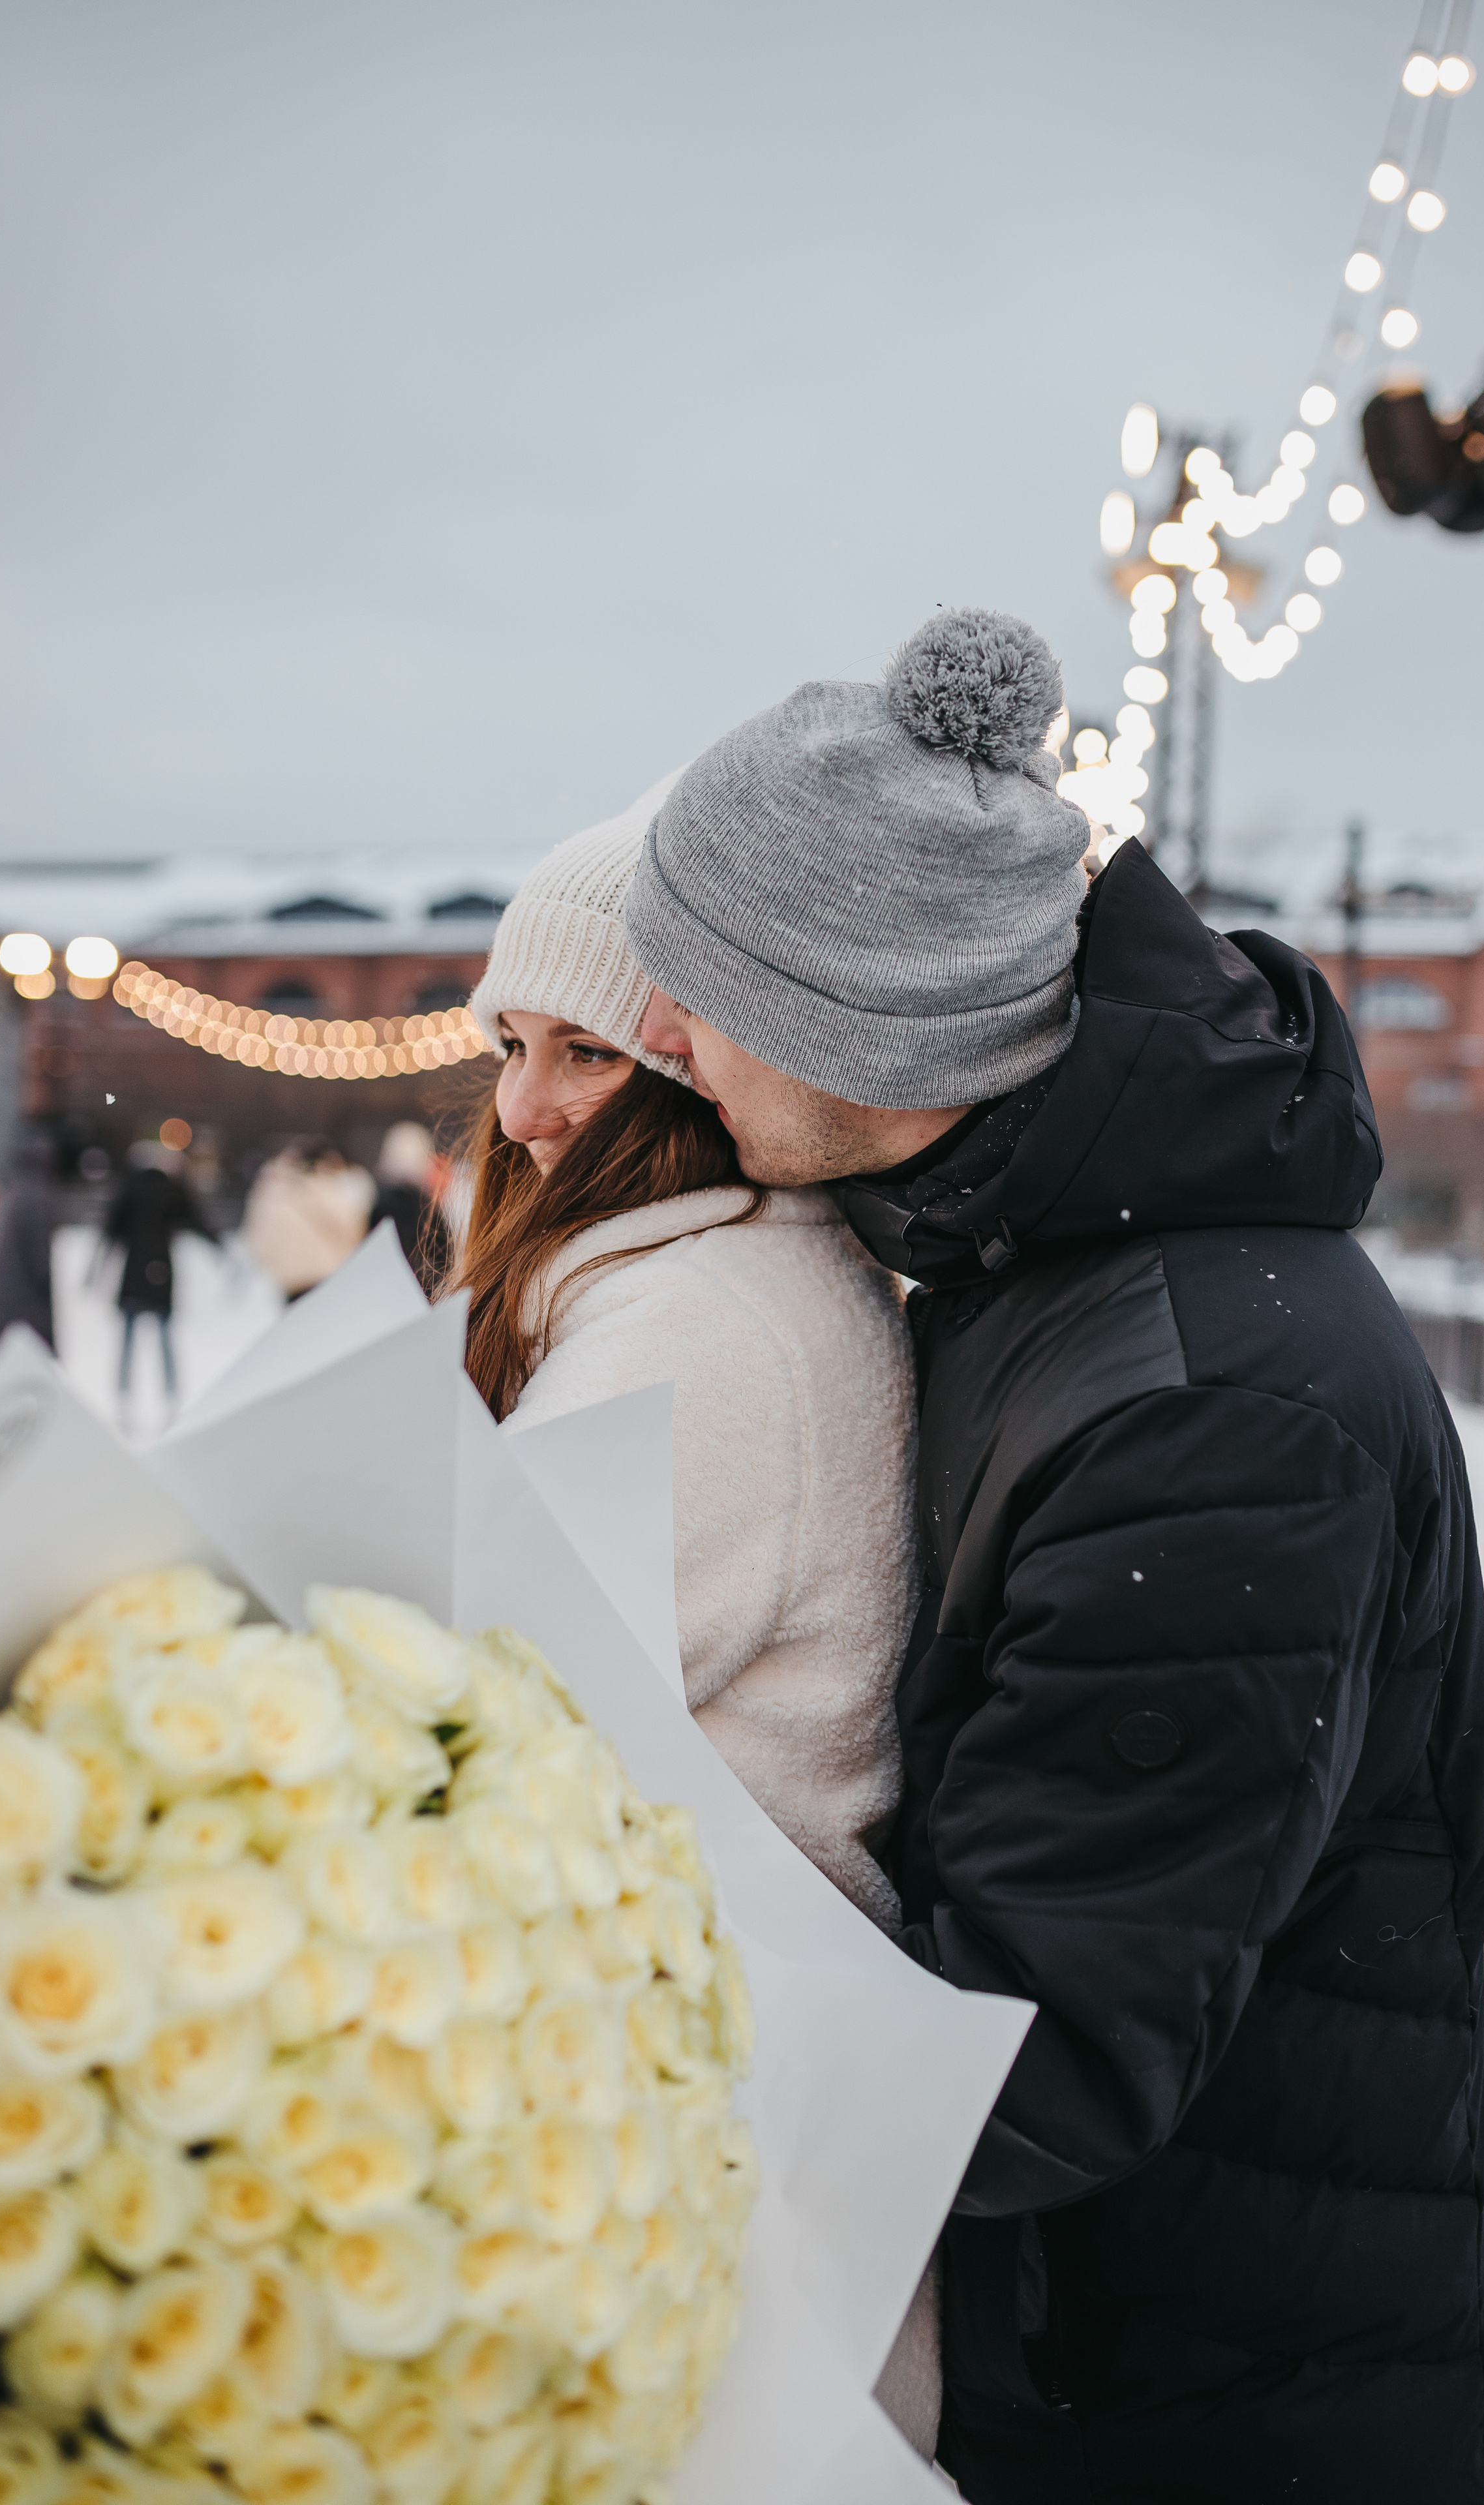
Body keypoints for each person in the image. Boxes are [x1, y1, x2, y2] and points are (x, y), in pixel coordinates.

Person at [625, 608, 1484, 2505]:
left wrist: (544, 1987)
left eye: (695, 987)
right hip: (1104, 2361)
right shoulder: (1041, 1260)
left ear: (860, 1017)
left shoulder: (1216, 1409)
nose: (660, 1039)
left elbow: (1032, 2050)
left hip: (1189, 2411)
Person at [459, 787, 938, 2452]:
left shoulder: (699, 1329)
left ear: (687, 1054)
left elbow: (487, 1726)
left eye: (581, 1050)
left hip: (698, 2124)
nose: (522, 1106)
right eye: (508, 1044)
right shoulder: (688, 1280)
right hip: (702, 2086)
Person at [102, 1140, 218, 1413]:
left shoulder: (131, 1188)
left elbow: (111, 1231)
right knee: (163, 1339)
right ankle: (171, 1393)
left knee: (129, 1341)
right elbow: (196, 1221)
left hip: (134, 1274)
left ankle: (123, 1393)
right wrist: (219, 1246)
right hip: (160, 1272)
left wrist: (97, 1270)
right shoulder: (172, 1189)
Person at [241, 1136, 374, 1302]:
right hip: (323, 1273)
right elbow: (353, 1228)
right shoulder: (330, 1191)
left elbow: (256, 1231)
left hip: (289, 1277)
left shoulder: (277, 1192)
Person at [0, 1131, 57, 1359]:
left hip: (10, 1290)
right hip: (29, 1294)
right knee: (30, 1352)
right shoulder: (38, 1193)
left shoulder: (15, 1189)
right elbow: (39, 1252)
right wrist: (43, 1281)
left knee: (7, 1347)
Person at [369, 1120, 451, 1297]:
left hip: (387, 1286)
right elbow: (444, 1254)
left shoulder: (380, 1204)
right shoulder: (428, 1207)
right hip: (421, 1288)